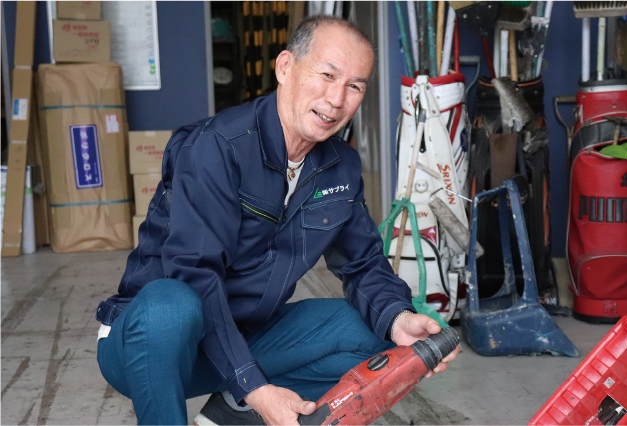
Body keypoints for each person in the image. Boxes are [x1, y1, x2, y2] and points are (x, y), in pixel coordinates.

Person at [95, 15, 460, 426]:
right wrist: (255, 385)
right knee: (172, 305)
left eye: (355, 86)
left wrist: (399, 316)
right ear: (285, 68)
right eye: (326, 75)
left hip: (244, 340)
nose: (337, 99)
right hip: (150, 348)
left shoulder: (340, 168)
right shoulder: (217, 147)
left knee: (370, 330)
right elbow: (193, 274)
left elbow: (363, 265)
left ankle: (227, 417)